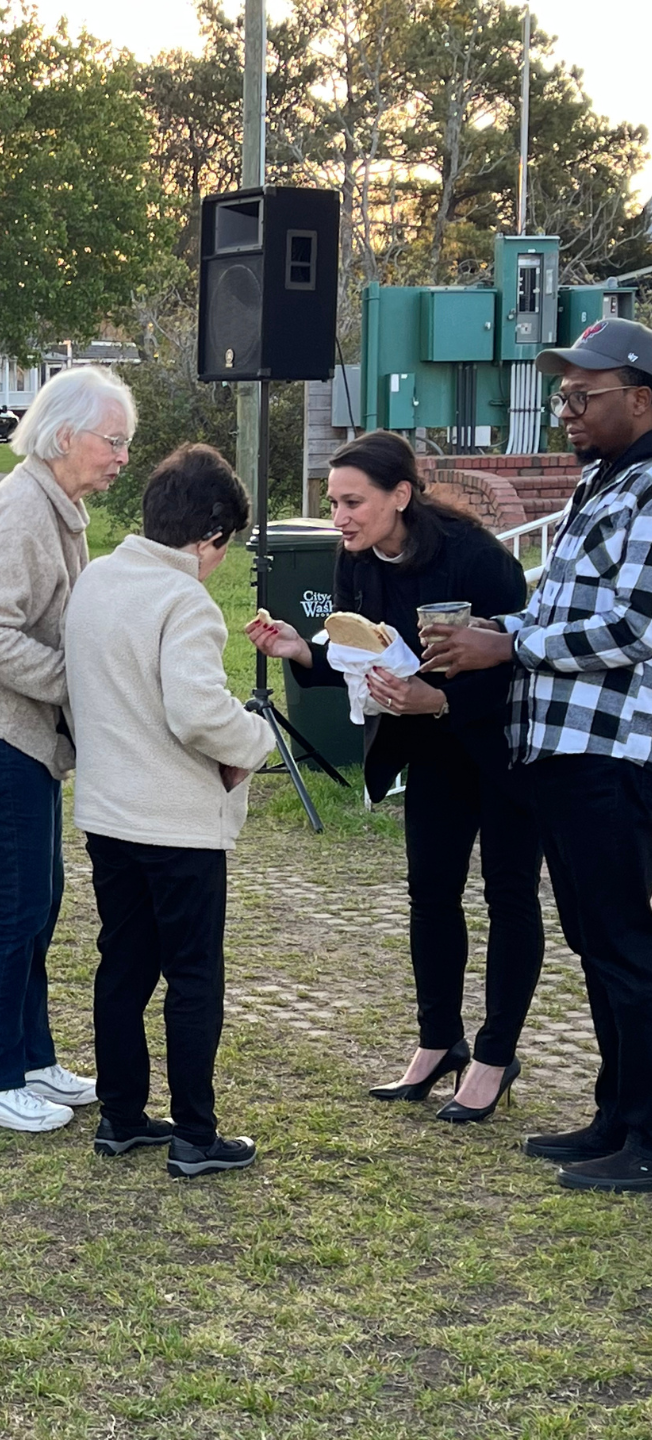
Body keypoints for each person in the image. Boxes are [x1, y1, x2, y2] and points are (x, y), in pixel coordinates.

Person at [247, 430, 543, 1123]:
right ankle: (439, 1043)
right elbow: (357, 649)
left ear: (401, 496)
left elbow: (524, 667)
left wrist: (441, 698)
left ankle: (497, 1056)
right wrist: (300, 652)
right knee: (431, 893)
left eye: (353, 502)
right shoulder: (351, 559)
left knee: (509, 894)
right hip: (433, 746)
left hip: (505, 743)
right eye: (333, 502)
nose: (340, 516)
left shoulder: (480, 561)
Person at [423, 318, 652, 1191]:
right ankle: (615, 1116)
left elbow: (634, 627)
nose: (566, 410)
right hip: (559, 749)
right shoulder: (604, 480)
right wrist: (489, 631)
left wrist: (508, 651)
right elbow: (558, 613)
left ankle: (648, 1135)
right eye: (561, 395)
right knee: (596, 944)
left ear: (640, 396)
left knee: (628, 946)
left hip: (614, 752)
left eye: (582, 396)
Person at [0, 366, 135, 1132]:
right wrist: (75, 684)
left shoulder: (58, 504)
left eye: (126, 443)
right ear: (63, 437)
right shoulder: (24, 511)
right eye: (112, 441)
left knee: (40, 900)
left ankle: (31, 1059)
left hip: (21, 730)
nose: (120, 456)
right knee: (16, 908)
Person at [66, 445, 273, 1176]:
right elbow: (197, 712)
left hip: (108, 814)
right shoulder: (184, 600)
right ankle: (195, 1135)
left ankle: (122, 1116)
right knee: (193, 977)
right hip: (177, 825)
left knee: (123, 965)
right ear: (212, 537)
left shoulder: (96, 580)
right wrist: (259, 737)